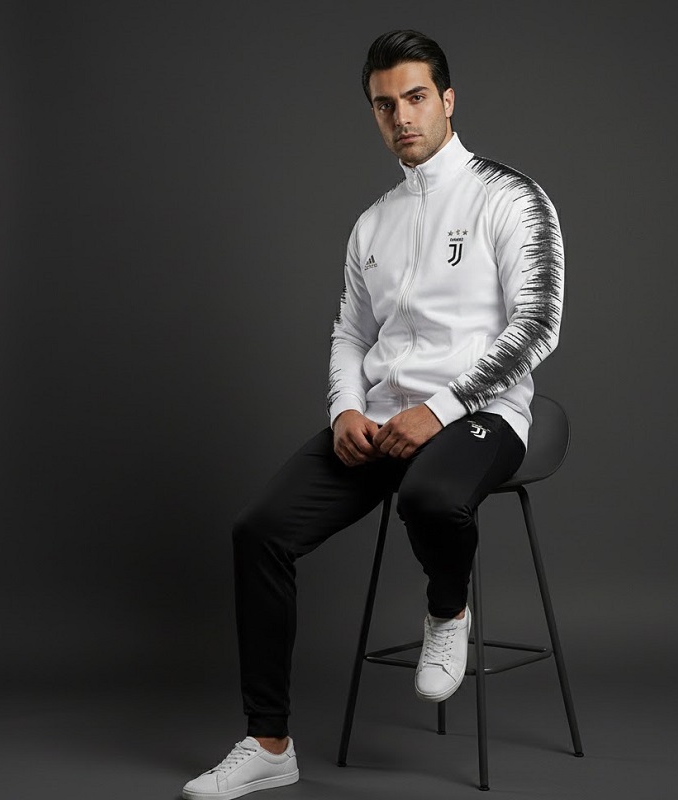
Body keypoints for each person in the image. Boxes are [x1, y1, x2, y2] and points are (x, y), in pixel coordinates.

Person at [181, 28, 564, 800]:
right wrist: (345, 408)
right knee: (259, 531)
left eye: (416, 98)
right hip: (381, 420)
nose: (402, 117)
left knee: (430, 495)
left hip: (483, 414)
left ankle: (447, 609)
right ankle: (269, 743)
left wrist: (442, 409)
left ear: (448, 100)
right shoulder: (373, 223)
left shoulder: (509, 196)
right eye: (385, 105)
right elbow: (351, 333)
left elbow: (537, 325)